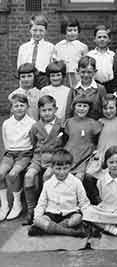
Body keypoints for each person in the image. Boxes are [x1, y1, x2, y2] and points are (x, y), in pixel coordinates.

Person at [28, 149, 89, 237]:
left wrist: (86, 215)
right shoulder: (48, 184)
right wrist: (37, 217)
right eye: (58, 169)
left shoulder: (76, 182)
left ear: (71, 166)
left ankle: (49, 229)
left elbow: (84, 202)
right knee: (38, 221)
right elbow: (41, 203)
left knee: (77, 218)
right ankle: (70, 232)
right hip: (51, 214)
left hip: (70, 213)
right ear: (52, 167)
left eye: (65, 168)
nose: (62, 172)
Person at [23, 95, 64, 225]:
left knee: (47, 175)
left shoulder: (61, 124)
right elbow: (34, 142)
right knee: (29, 176)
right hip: (39, 158)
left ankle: (44, 207)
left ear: (55, 109)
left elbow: (65, 143)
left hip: (54, 158)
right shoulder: (36, 126)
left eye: (49, 110)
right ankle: (31, 210)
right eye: (43, 110)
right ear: (39, 111)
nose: (47, 113)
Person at [0, 94, 35, 221]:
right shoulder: (7, 123)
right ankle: (4, 205)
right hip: (10, 153)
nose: (19, 108)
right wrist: (9, 154)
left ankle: (17, 203)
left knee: (13, 174)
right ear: (12, 108)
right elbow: (6, 141)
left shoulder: (32, 123)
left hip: (25, 153)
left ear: (27, 107)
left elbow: (33, 142)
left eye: (22, 105)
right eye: (16, 106)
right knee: (0, 173)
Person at [64, 96, 103, 181]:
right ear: (74, 107)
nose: (82, 109)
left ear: (89, 108)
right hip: (71, 154)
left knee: (79, 177)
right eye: (79, 105)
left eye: (85, 106)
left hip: (85, 157)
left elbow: (97, 140)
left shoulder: (93, 123)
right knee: (66, 177)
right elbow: (65, 139)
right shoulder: (69, 122)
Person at [17, 14, 54, 89]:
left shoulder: (51, 47)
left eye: (41, 30)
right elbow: (19, 68)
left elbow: (52, 68)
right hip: (27, 79)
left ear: (45, 31)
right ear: (30, 30)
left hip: (43, 80)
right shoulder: (23, 48)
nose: (37, 33)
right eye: (35, 30)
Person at [54, 17, 88, 89]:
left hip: (76, 75)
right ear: (64, 31)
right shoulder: (58, 46)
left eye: (75, 30)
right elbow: (55, 62)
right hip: (63, 76)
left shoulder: (82, 46)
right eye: (69, 30)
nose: (72, 33)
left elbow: (85, 63)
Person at [70, 56, 107, 120]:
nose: (86, 75)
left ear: (95, 72)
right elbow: (69, 111)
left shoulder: (100, 89)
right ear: (78, 71)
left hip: (94, 125)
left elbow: (105, 108)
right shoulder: (74, 89)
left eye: (89, 72)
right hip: (76, 125)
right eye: (83, 72)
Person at [96, 94, 117, 165]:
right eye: (105, 108)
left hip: (116, 155)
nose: (108, 111)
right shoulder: (100, 121)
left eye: (111, 108)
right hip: (101, 154)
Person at [87, 25, 115, 93]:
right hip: (94, 85)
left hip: (110, 85)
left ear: (109, 40)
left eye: (105, 37)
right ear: (95, 39)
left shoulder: (113, 55)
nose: (102, 39)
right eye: (99, 37)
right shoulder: (90, 55)